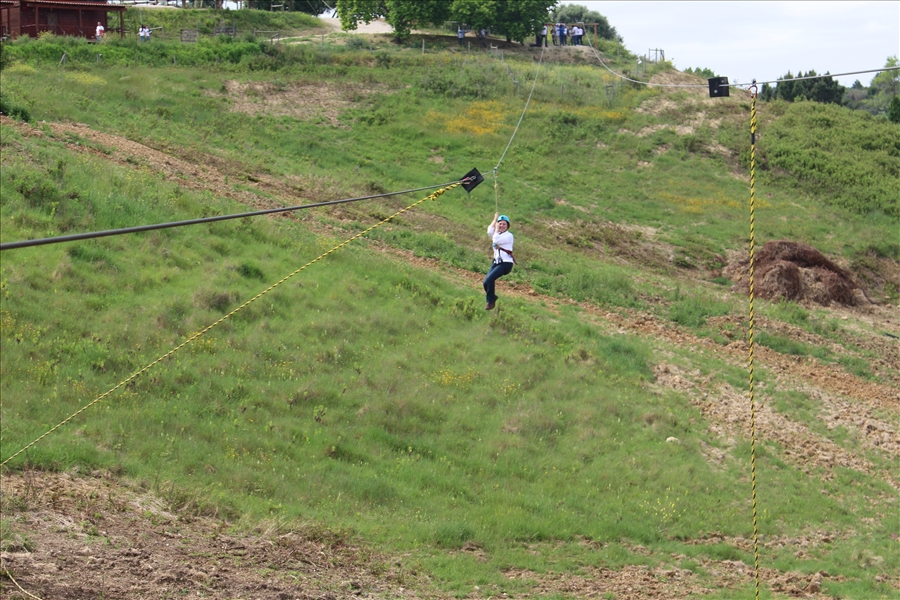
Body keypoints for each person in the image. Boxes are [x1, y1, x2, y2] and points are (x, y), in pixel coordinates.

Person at [483, 213, 514, 311]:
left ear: (507, 226)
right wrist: (494, 219)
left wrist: (496, 228)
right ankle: (492, 296)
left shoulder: (509, 236)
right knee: (485, 283)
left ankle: (490, 301)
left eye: (504, 224)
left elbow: (495, 240)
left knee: (490, 279)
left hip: (506, 263)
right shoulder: (496, 234)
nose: (501, 226)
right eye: (500, 224)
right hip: (496, 262)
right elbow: (489, 231)